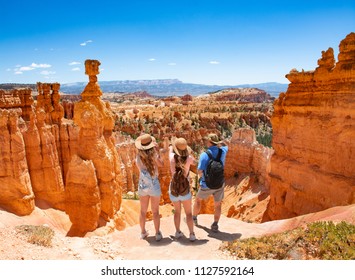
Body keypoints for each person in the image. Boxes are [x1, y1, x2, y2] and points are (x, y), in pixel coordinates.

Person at [192, 133, 228, 232]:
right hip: (219, 183)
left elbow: (200, 171)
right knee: (218, 204)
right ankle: (215, 224)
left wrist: (201, 179)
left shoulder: (205, 154)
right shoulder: (223, 151)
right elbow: (226, 145)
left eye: (207, 140)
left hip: (206, 184)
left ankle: (194, 218)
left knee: (198, 200)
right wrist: (220, 143)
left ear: (209, 142)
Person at [135, 133, 164, 241]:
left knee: (143, 211)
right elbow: (161, 164)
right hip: (154, 184)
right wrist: (158, 152)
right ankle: (157, 233)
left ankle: (143, 232)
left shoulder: (138, 156)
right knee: (155, 211)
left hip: (143, 185)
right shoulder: (154, 155)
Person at [168, 137, 197, 242]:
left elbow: (170, 150)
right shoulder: (189, 158)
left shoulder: (171, 157)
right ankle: (192, 234)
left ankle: (178, 232)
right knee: (189, 213)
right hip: (185, 189)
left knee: (177, 212)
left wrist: (172, 146)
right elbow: (194, 162)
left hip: (174, 188)